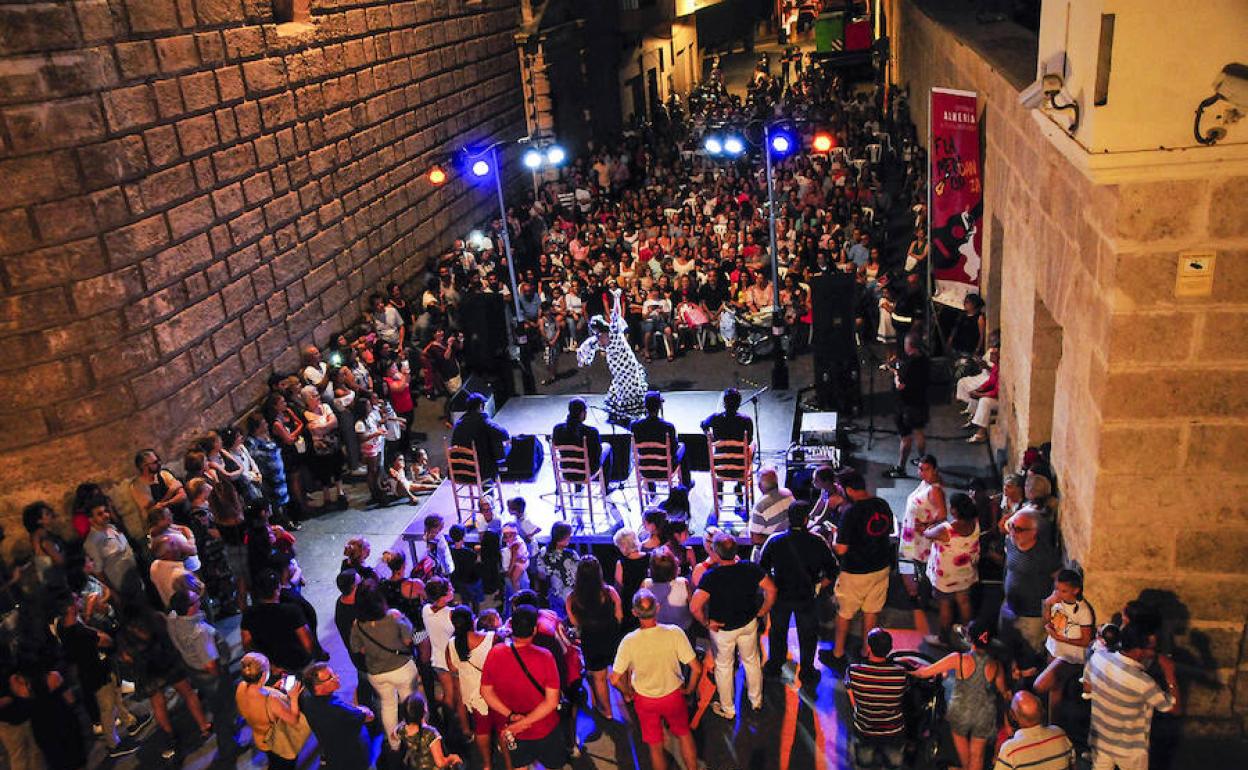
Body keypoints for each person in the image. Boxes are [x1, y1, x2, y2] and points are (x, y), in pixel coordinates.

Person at [610, 590, 701, 770]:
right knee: (684, 734)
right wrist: (689, 689)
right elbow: (697, 668)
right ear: (657, 608)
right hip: (673, 695)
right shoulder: (674, 633)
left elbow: (614, 679)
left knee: (655, 746)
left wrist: (628, 692)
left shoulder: (629, 641)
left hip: (645, 700)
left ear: (634, 612)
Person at [690, 532, 777, 719]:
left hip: (722, 630)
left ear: (716, 552)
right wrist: (762, 611)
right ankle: (756, 701)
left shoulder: (711, 576)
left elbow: (694, 606)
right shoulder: (750, 568)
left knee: (724, 667)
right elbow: (771, 589)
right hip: (748, 624)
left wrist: (706, 623)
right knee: (752, 661)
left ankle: (728, 709)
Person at [915, 620, 1012, 770]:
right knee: (977, 756)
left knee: (964, 753)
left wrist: (907, 668)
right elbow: (1004, 691)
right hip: (984, 714)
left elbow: (923, 673)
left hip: (961, 712)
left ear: (969, 639)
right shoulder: (996, 665)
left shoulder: (958, 658)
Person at [759, 502, 837, 686]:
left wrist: (771, 588)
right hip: (806, 596)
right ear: (806, 519)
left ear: (788, 518)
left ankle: (775, 664)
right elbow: (833, 570)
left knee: (778, 631)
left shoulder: (775, 540)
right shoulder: (818, 541)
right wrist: (818, 586)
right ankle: (807, 671)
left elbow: (762, 569)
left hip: (780, 595)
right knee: (808, 634)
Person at [480, 606, 568, 770]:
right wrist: (524, 722)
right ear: (534, 629)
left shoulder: (495, 653)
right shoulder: (545, 656)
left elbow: (485, 692)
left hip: (515, 730)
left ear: (511, 627)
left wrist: (512, 716)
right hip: (545, 727)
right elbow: (552, 701)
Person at [1083, 622, 1178, 770]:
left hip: (1100, 740)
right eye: (1153, 648)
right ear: (1138, 651)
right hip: (1130, 751)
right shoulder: (1144, 683)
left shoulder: (1098, 658)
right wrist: (1170, 673)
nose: (1156, 653)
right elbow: (1174, 708)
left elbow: (1087, 687)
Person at [828, 469, 895, 668]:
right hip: (881, 567)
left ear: (849, 489)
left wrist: (833, 537)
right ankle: (867, 651)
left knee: (845, 613)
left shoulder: (851, 512)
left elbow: (841, 549)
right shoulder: (882, 504)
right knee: (871, 611)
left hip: (855, 572)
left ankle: (838, 653)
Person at [167, 588, 239, 762]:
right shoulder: (201, 632)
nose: (199, 600)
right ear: (190, 608)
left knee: (216, 707)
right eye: (195, 599)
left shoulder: (173, 618)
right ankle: (228, 749)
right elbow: (210, 664)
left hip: (193, 669)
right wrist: (219, 676)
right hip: (212, 676)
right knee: (223, 712)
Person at [350, 578, 417, 753]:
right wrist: (403, 618)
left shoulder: (358, 624)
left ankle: (394, 745)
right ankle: (414, 741)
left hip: (377, 673)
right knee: (410, 705)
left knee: (388, 706)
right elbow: (409, 639)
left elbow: (357, 648)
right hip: (401, 668)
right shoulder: (393, 616)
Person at [1000, 506, 1062, 664]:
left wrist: (1050, 607)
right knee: (1007, 644)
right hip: (1010, 606)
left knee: (1029, 652)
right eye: (1012, 526)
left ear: (1034, 532)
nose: (1013, 532)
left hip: (1032, 614)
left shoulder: (1045, 555)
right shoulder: (1011, 543)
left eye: (1019, 529)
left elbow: (1057, 578)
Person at [576, 289, 648, 417]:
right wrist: (584, 358)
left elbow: (616, 314)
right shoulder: (597, 339)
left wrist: (616, 299)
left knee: (630, 390)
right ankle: (620, 412)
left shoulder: (614, 333)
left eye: (598, 332)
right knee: (618, 388)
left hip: (627, 366)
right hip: (617, 370)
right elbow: (586, 347)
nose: (597, 335)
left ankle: (633, 412)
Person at [566, 556, 622, 717]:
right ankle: (627, 694)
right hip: (611, 636)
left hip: (591, 641)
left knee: (599, 678)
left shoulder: (572, 598)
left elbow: (575, 622)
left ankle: (608, 711)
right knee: (619, 669)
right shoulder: (610, 592)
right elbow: (619, 616)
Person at [1034, 569, 1096, 717]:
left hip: (1068, 657)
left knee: (1040, 685)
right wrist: (1047, 604)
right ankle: (1053, 722)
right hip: (1054, 650)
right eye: (1057, 589)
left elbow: (1086, 640)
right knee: (1056, 688)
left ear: (1076, 590)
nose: (1059, 594)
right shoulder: (1056, 600)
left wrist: (1061, 638)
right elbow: (1047, 620)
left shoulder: (1083, 610)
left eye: (1064, 591)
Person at [846, 629, 910, 770]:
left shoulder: (854, 671)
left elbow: (853, 699)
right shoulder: (900, 673)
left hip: (865, 728)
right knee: (895, 761)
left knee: (865, 761)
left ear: (869, 648)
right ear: (890, 649)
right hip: (894, 730)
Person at [923, 491, 980, 646]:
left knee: (945, 605)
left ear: (954, 510)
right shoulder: (975, 523)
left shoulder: (946, 529)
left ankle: (943, 638)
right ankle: (969, 635)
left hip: (946, 577)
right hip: (966, 572)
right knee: (964, 601)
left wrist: (930, 525)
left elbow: (927, 533)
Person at [446, 606, 498, 770]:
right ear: (473, 620)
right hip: (496, 692)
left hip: (474, 695)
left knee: (482, 730)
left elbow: (452, 668)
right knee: (503, 728)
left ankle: (487, 764)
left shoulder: (451, 645)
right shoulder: (491, 638)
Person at [235, 652, 308, 770]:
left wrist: (273, 689)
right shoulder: (271, 700)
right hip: (276, 741)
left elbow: (256, 698)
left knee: (274, 761)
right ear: (264, 674)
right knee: (285, 765)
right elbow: (294, 720)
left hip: (260, 740)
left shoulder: (241, 687)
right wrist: (294, 698)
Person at [299, 662, 377, 770]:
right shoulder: (337, 710)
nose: (337, 677)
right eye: (330, 677)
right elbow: (369, 716)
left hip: (333, 754)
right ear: (318, 687)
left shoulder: (307, 699)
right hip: (354, 759)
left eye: (334, 673)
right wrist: (361, 708)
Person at [242, 568, 316, 675]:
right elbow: (307, 643)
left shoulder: (249, 614)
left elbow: (247, 645)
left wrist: (269, 666)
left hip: (272, 670)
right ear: (278, 588)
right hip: (299, 666)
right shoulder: (292, 611)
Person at [884, 333, 930, 478]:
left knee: (906, 437)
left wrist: (895, 373)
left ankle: (901, 468)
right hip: (921, 401)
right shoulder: (925, 360)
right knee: (919, 431)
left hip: (907, 406)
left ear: (909, 346)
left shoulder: (908, 365)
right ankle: (924, 461)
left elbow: (900, 385)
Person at [993, 690, 1074, 770]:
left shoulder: (1010, 750)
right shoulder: (1060, 734)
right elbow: (1072, 764)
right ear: (1042, 711)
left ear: (1013, 716)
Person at [629, 390, 688, 486]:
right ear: (659, 407)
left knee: (647, 453)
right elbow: (673, 451)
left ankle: (651, 489)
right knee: (682, 447)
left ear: (645, 407)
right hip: (665, 470)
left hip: (645, 471)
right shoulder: (668, 427)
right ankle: (686, 483)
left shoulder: (635, 426)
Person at [450, 393, 510, 478]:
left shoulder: (459, 423)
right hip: (479, 471)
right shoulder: (482, 420)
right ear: (481, 406)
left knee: (487, 439)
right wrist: (486, 417)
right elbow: (504, 434)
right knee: (499, 441)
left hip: (459, 472)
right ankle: (500, 469)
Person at [396, 692, 462, 769]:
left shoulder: (402, 729)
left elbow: (394, 735)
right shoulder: (430, 734)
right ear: (424, 711)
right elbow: (440, 763)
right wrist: (452, 758)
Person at [551, 397, 610, 477]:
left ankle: (576, 483)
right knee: (607, 447)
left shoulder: (557, 429)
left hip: (567, 472)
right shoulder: (591, 432)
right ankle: (605, 484)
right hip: (586, 473)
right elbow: (597, 455)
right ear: (582, 413)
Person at [641, 549, 693, 632]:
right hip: (682, 629)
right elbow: (692, 607)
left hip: (656, 630)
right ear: (675, 568)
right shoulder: (683, 583)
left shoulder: (646, 584)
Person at [748, 466, 794, 560]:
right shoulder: (788, 493)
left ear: (760, 486)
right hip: (792, 544)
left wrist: (776, 539)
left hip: (773, 550)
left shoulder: (760, 506)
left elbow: (755, 539)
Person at [538, 521, 578, 617]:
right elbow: (578, 575)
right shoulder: (572, 555)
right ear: (564, 536)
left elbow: (541, 574)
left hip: (553, 593)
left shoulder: (543, 551)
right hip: (571, 595)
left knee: (558, 620)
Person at [612, 528, 648, 631]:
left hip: (629, 607)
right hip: (648, 603)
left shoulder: (621, 564)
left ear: (623, 546)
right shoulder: (650, 558)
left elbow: (618, 589)